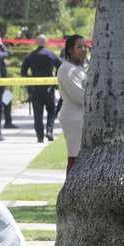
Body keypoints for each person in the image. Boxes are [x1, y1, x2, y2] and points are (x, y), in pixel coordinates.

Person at [20, 34, 62, 143]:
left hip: (35, 88)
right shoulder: (51, 54)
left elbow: (23, 72)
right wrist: (55, 78)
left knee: (37, 113)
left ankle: (40, 137)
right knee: (51, 110)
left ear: (36, 43)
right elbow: (61, 67)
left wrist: (32, 77)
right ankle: (49, 131)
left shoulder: (30, 55)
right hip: (48, 88)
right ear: (46, 43)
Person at [57, 34, 87, 176]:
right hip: (74, 119)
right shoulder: (66, 69)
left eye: (85, 46)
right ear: (70, 50)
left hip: (81, 118)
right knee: (75, 159)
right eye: (79, 47)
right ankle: (70, 194)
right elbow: (80, 96)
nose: (83, 50)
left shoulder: (79, 68)